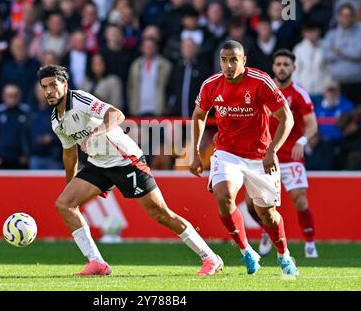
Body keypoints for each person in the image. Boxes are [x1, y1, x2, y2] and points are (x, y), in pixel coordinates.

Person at [38, 64, 223, 276]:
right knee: (64, 204)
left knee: (160, 213)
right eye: (45, 87)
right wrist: (70, 186)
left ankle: (210, 257)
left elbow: (117, 115)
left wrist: (96, 133)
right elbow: (69, 154)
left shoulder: (79, 99)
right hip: (99, 164)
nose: (49, 91)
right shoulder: (56, 120)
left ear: (65, 84)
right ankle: (97, 263)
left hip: (126, 159)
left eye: (54, 85)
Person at [190, 40, 299, 275]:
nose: (228, 65)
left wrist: (272, 151)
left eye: (233, 60)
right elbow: (199, 115)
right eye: (224, 60)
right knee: (224, 196)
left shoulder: (260, 82)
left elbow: (286, 118)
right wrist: (196, 152)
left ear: (243, 61)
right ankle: (247, 251)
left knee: (267, 214)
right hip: (227, 153)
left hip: (260, 156)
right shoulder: (211, 85)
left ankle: (284, 255)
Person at [245, 49, 319, 258]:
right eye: (279, 64)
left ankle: (310, 243)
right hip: (263, 156)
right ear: (273, 67)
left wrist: (302, 141)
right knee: (251, 203)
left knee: (299, 199)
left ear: (293, 68)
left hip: (289, 157)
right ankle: (267, 229)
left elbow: (312, 124)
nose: (282, 68)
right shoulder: (262, 91)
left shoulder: (299, 94)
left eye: (286, 64)